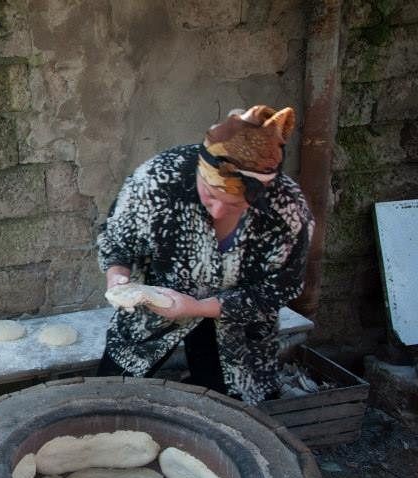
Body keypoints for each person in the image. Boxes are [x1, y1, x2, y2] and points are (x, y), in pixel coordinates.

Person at [95, 105, 314, 405]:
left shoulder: (286, 211)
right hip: (157, 300)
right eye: (210, 195)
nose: (219, 211)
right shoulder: (159, 179)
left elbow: (278, 289)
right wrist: (118, 280)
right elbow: (116, 238)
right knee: (111, 396)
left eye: (235, 205)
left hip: (238, 320)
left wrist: (198, 307)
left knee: (229, 409)